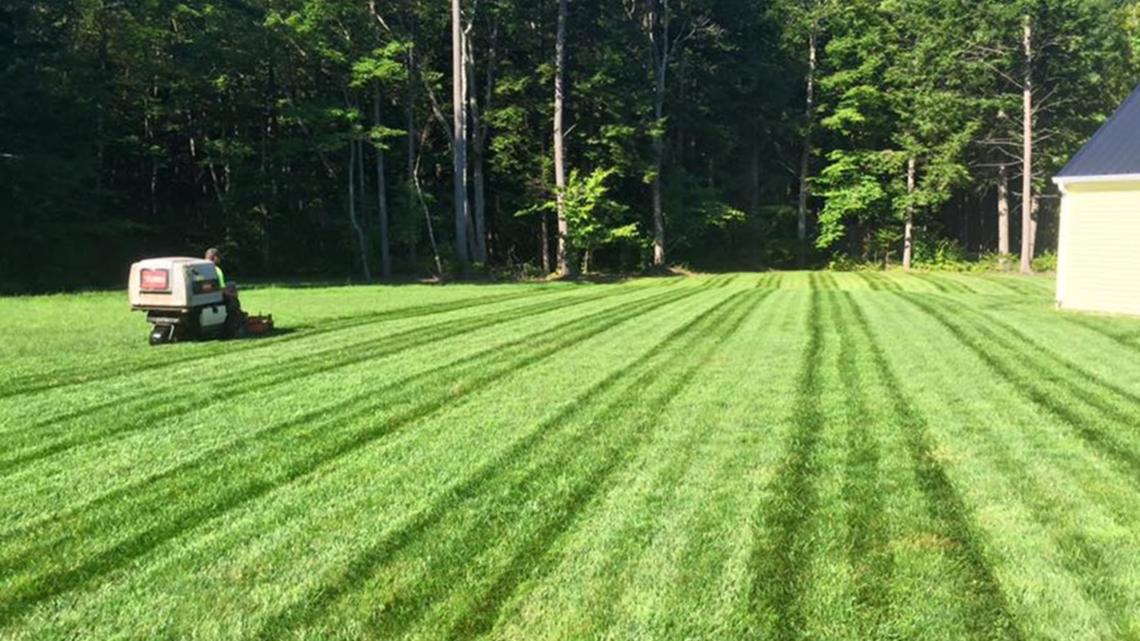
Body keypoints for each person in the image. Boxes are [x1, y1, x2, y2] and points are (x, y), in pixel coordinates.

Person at [205, 247, 244, 337]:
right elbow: (221, 290)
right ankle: (230, 329)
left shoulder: (199, 268)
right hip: (214, 298)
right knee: (233, 303)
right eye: (218, 257)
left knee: (230, 285)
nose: (219, 259)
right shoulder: (217, 270)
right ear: (215, 258)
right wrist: (233, 295)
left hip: (205, 296)